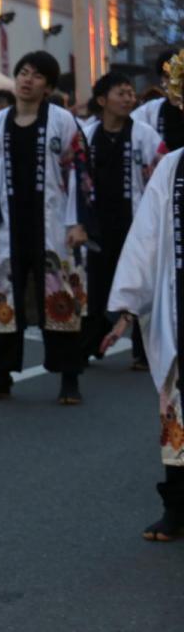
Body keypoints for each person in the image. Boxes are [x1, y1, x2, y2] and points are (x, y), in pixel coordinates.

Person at [0, 51, 92, 404]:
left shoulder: (63, 122)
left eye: (36, 76)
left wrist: (79, 222)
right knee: (4, 299)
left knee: (61, 298)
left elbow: (80, 173)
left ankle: (70, 377)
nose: (27, 80)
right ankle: (1, 375)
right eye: (23, 72)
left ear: (48, 86)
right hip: (9, 227)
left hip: (53, 226)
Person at [102, 51, 184, 541]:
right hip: (180, 302)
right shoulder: (172, 166)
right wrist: (128, 305)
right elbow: (148, 237)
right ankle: (178, 506)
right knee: (175, 407)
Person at [80, 71, 165, 365]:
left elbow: (156, 179)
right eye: (121, 93)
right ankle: (94, 343)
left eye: (130, 93)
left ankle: (143, 352)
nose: (128, 98)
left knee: (140, 285)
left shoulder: (145, 135)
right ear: (102, 100)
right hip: (98, 223)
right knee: (98, 286)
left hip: (134, 223)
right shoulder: (87, 135)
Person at [131, 50, 184, 151]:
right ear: (162, 80)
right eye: (168, 76)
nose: (174, 81)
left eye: (179, 76)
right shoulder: (149, 111)